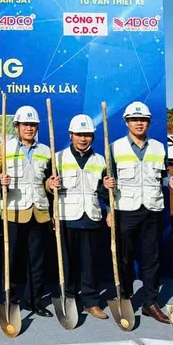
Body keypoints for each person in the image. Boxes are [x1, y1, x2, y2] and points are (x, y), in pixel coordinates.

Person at [110, 101, 173, 324]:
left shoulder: (159, 148)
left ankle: (150, 302)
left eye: (143, 120)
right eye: (134, 119)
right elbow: (107, 181)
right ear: (127, 122)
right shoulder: (114, 148)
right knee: (124, 257)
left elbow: (162, 176)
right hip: (125, 209)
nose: (139, 123)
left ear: (149, 122)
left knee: (152, 258)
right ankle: (125, 297)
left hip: (152, 209)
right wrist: (108, 204)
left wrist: (171, 182)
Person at [47, 114, 114, 319]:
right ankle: (69, 298)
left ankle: (91, 302)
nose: (83, 139)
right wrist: (49, 185)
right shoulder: (57, 158)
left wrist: (107, 190)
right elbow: (46, 189)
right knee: (66, 262)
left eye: (87, 134)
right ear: (71, 135)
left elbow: (104, 193)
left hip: (91, 217)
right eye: (79, 134)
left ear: (93, 136)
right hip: (66, 217)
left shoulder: (101, 160)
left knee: (89, 262)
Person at [0, 105, 54, 318]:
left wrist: (50, 185)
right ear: (16, 126)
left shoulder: (46, 151)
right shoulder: (4, 149)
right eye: (25, 124)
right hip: (13, 211)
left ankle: (34, 301)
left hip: (39, 211)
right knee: (10, 259)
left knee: (37, 260)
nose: (29, 128)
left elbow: (47, 182)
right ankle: (9, 300)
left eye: (33, 125)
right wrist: (0, 182)